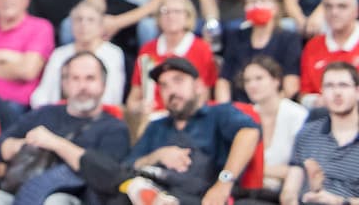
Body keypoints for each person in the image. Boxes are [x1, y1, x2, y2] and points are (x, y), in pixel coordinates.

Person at [0, 52, 130, 205]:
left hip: (74, 196)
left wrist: (55, 143)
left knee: (54, 202)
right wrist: (27, 144)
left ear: (103, 84)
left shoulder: (114, 127)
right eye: (75, 78)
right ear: (65, 84)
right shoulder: (45, 113)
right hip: (23, 189)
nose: (82, 86)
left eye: (90, 78)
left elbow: (107, 173)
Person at [119, 57, 259, 205]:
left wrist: (223, 184)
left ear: (198, 86)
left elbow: (249, 133)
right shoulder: (156, 126)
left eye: (178, 81)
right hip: (159, 187)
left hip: (202, 195)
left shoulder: (218, 113)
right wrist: (157, 155)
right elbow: (128, 167)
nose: (171, 91)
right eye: (164, 86)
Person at [128, 0, 219, 126]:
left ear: (187, 17)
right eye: (165, 12)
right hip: (152, 119)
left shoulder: (201, 48)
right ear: (158, 18)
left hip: (187, 119)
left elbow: (203, 96)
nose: (171, 16)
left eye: (177, 11)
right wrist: (140, 107)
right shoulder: (147, 50)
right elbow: (132, 100)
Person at [283, 61, 359, 205]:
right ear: (321, 92)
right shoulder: (307, 134)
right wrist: (306, 194)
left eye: (343, 85)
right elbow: (289, 192)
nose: (337, 92)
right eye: (329, 86)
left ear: (357, 91)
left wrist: (340, 202)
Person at [216, 0, 303, 103]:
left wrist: (268, 110)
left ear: (276, 7)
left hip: (276, 107)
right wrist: (225, 110)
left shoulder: (288, 39)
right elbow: (224, 80)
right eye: (252, 2)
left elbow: (291, 85)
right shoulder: (236, 37)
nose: (257, 6)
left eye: (263, 1)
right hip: (239, 109)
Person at [33, 2, 126, 108]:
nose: (83, 25)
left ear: (101, 26)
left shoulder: (113, 53)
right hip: (57, 114)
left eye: (90, 20)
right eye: (78, 19)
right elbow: (43, 92)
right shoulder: (59, 54)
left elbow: (113, 96)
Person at [239, 56, 306, 193]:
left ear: (276, 80)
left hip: (288, 192)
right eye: (247, 81)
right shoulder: (243, 116)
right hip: (247, 191)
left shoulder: (297, 114)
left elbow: (304, 170)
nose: (252, 85)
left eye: (259, 78)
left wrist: (258, 170)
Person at [300, 0, 359, 103]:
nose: (334, 12)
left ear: (356, 11)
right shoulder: (313, 45)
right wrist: (319, 101)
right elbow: (304, 94)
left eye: (342, 6)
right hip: (323, 115)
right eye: (328, 6)